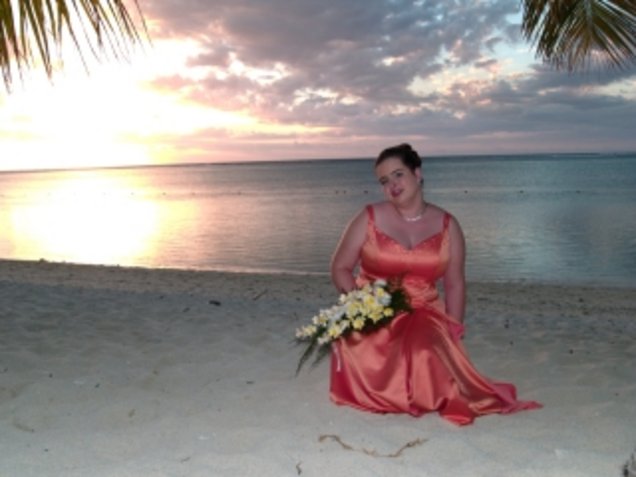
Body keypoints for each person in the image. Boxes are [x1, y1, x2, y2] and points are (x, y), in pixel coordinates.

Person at [329, 143, 541, 425]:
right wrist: (361, 306)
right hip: (373, 310)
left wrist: (454, 329)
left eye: (398, 175)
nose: (392, 185)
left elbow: (454, 284)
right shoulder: (368, 218)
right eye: (384, 181)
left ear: (417, 174)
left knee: (425, 354)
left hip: (424, 311)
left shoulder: (448, 225)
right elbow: (340, 268)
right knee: (375, 352)